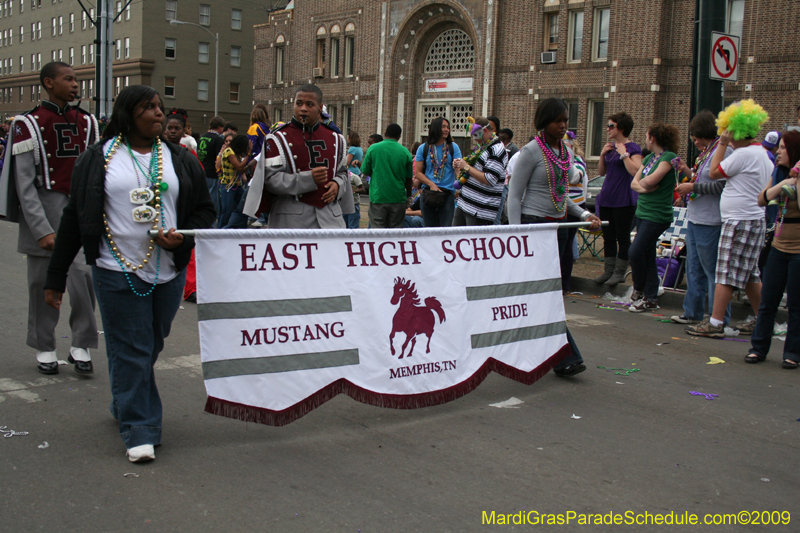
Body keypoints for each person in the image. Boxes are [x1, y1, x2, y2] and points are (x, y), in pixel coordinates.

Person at [42, 85, 215, 462]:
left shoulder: (180, 159)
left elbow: (204, 211)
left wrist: (180, 242)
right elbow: (75, 217)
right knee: (132, 348)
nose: (159, 113)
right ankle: (140, 428)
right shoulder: (98, 158)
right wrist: (56, 278)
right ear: (127, 113)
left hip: (166, 271)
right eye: (149, 107)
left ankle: (125, 399)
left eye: (160, 107)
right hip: (114, 267)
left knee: (150, 343)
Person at [0, 60, 100, 375]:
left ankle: (81, 342)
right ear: (48, 83)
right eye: (68, 79)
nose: (75, 85)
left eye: (77, 79)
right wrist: (41, 229)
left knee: (83, 278)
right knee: (40, 285)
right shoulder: (26, 124)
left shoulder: (89, 122)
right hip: (42, 214)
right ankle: (44, 345)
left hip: (79, 215)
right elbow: (24, 182)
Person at [507, 97, 601, 377]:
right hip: (534, 228)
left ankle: (537, 349)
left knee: (546, 294)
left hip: (559, 230)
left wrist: (584, 216)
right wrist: (517, 235)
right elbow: (514, 196)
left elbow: (562, 198)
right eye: (557, 121)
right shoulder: (531, 152)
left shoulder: (564, 153)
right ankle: (565, 356)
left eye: (565, 122)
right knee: (544, 294)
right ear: (543, 122)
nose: (563, 126)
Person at [686, 100, 772, 338]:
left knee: (725, 273)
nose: (726, 135)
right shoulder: (762, 153)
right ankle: (762, 318)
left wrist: (722, 144)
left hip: (739, 221)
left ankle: (715, 323)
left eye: (728, 130)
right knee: (750, 275)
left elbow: (714, 173)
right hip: (752, 219)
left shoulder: (743, 154)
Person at [243, 84, 352, 229]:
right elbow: (270, 179)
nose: (303, 109)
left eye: (309, 104)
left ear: (320, 108)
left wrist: (338, 184)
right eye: (299, 103)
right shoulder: (277, 138)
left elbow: (342, 172)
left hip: (330, 220)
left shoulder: (336, 138)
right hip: (290, 221)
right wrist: (308, 179)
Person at [671, 111, 734, 325]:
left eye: (696, 136)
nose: (694, 141)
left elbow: (722, 185)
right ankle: (692, 312)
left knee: (712, 271)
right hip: (696, 218)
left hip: (712, 220)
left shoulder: (724, 151)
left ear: (706, 132)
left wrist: (693, 186)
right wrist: (687, 172)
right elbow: (701, 178)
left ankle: (718, 318)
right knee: (693, 268)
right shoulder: (708, 151)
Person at [747, 131, 800, 368]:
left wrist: (797, 181)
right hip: (778, 247)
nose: (777, 152)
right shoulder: (778, 173)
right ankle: (758, 348)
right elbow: (762, 199)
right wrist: (783, 184)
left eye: (782, 148)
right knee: (768, 301)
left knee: (796, 306)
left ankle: (793, 353)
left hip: (798, 250)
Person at [628, 124, 680, 312]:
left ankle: (639, 288)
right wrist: (644, 188)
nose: (645, 138)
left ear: (653, 138)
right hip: (642, 212)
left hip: (657, 215)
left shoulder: (669, 158)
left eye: (647, 135)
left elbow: (650, 180)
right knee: (647, 255)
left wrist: (644, 185)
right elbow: (636, 182)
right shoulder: (649, 158)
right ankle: (650, 297)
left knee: (635, 252)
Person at [594, 112, 643, 286]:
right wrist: (602, 155)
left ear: (621, 128)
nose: (607, 129)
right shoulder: (610, 147)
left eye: (611, 126)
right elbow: (601, 172)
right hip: (607, 198)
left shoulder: (633, 148)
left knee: (622, 236)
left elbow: (635, 170)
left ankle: (620, 272)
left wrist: (624, 154)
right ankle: (608, 270)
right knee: (608, 236)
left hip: (623, 199)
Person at [452, 117, 507, 226]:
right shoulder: (482, 147)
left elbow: (489, 179)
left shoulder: (497, 150)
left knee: (473, 242)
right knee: (456, 240)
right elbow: (472, 174)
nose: (475, 140)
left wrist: (466, 167)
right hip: (464, 205)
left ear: (485, 131)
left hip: (479, 211)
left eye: (476, 135)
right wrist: (459, 168)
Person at [361, 123, 413, 228]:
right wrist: (408, 196)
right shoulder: (405, 152)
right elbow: (408, 178)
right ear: (399, 136)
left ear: (385, 133)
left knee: (378, 232)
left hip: (378, 196)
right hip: (398, 197)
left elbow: (365, 170)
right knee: (395, 232)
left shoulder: (373, 149)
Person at [414, 117, 462, 227]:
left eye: (448, 127)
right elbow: (418, 173)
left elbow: (458, 169)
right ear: (436, 128)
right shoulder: (423, 148)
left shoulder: (453, 147)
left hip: (447, 194)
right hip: (428, 194)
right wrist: (432, 185)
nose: (447, 130)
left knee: (446, 230)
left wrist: (459, 178)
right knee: (429, 230)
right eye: (443, 127)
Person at [561, 132, 588, 292]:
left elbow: (574, 178)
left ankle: (564, 284)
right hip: (559, 205)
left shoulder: (577, 160)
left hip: (573, 207)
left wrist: (568, 159)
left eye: (566, 144)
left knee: (566, 245)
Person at [217, 134, 251, 228]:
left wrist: (249, 166)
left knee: (242, 209)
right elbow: (239, 166)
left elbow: (240, 170)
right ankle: (219, 232)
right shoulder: (229, 151)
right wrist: (248, 154)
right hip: (228, 186)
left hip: (237, 185)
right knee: (226, 211)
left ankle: (240, 229)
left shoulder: (236, 154)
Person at [197, 116, 225, 221]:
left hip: (202, 171)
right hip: (212, 173)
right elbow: (219, 157)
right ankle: (211, 224)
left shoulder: (202, 137)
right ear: (219, 127)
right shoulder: (218, 139)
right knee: (213, 202)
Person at [344, 131, 364, 229]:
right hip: (358, 172)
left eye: (348, 138)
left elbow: (347, 162)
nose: (347, 140)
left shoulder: (352, 149)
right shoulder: (359, 149)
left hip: (351, 172)